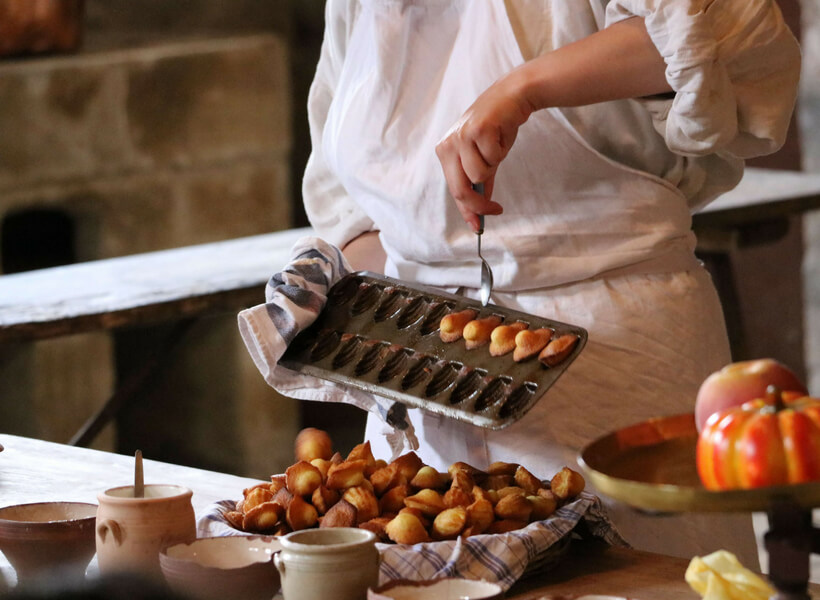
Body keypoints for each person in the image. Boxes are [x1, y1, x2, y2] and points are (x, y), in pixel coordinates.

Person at [281, 0, 800, 567]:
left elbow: (732, 35)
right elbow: (345, 201)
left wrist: (526, 87)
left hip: (610, 361)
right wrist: (381, 307)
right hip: (423, 374)